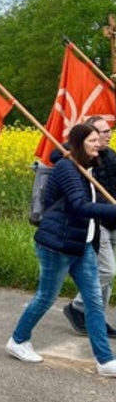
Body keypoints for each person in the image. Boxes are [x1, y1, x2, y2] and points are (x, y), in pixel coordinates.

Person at [6, 123, 116, 377]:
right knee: (46, 297)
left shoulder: (87, 166)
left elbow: (97, 194)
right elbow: (79, 205)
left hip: (81, 244)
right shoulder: (68, 168)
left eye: (99, 140)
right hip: (57, 245)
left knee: (94, 302)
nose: (98, 145)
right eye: (92, 141)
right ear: (79, 144)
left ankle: (104, 360)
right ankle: (18, 340)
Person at [62, 116, 116, 338]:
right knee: (107, 270)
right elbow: (56, 154)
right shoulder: (80, 157)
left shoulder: (110, 155)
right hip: (98, 222)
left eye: (109, 131)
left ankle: (97, 319)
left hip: (114, 221)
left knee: (110, 276)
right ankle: (78, 306)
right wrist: (73, 148)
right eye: (103, 132)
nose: (108, 134)